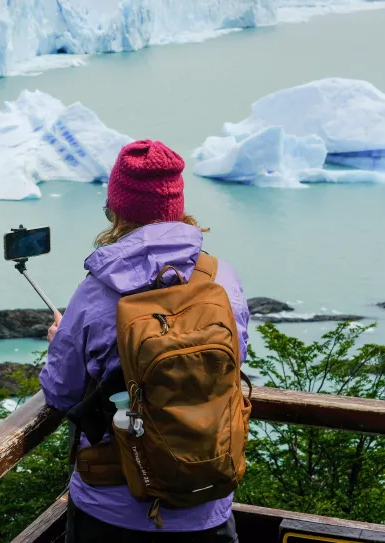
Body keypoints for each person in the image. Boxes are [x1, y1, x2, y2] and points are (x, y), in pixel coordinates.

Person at [39, 139, 250, 543]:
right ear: (177, 206)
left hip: (112, 509)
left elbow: (62, 393)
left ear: (117, 209)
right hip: (205, 503)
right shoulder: (222, 280)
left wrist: (59, 342)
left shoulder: (98, 291)